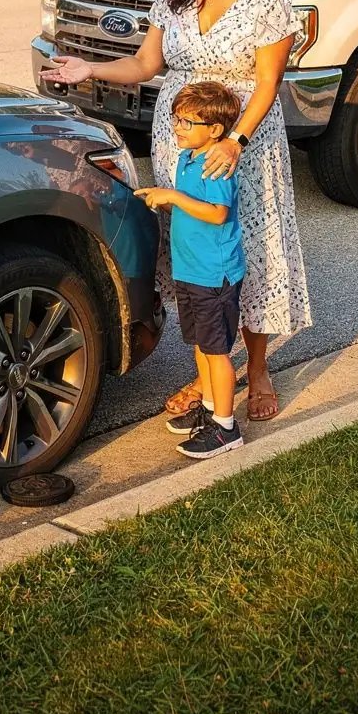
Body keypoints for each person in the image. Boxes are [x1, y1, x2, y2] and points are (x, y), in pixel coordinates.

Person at [41, 0, 310, 421]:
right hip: (180, 138)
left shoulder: (265, 1)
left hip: (243, 142)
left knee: (246, 249)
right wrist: (88, 70)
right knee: (192, 250)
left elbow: (267, 84)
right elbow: (146, 63)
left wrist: (236, 142)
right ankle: (210, 371)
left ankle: (255, 369)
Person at [136, 81, 246, 459]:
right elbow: (189, 207)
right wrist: (160, 198)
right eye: (176, 119)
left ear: (215, 130)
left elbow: (217, 214)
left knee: (217, 352)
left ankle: (226, 429)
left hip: (214, 274)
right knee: (201, 345)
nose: (177, 127)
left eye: (187, 122)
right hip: (190, 271)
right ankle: (212, 409)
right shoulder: (188, 157)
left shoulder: (217, 162)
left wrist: (172, 197)